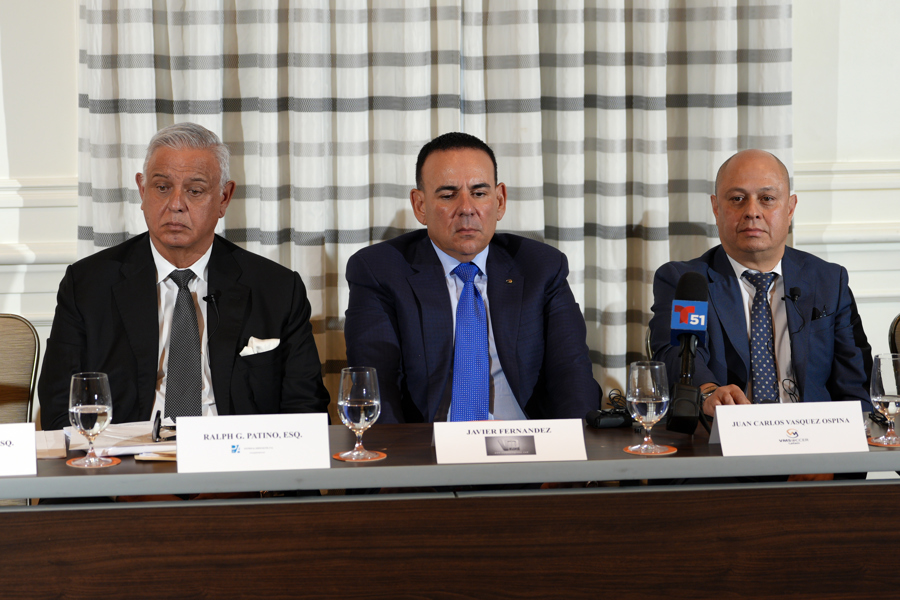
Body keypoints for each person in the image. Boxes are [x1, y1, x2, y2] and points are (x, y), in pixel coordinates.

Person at [39, 122, 329, 430]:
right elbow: (60, 409)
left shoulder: (277, 289)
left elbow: (306, 409)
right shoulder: (87, 285)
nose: (176, 205)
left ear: (224, 198)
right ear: (142, 190)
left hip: (235, 451)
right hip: (128, 452)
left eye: (195, 191)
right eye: (162, 187)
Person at [344, 132, 601, 424]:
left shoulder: (541, 268)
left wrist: (573, 448)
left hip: (526, 442)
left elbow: (572, 374)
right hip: (429, 446)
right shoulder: (379, 271)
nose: (466, 208)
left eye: (479, 193)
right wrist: (403, 454)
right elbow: (376, 387)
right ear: (420, 205)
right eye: (448, 195)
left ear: (500, 200)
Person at [649, 149, 871, 418]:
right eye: (737, 199)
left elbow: (855, 384)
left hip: (815, 433)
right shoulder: (687, 282)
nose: (752, 212)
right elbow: (678, 354)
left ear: (790, 209)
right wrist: (708, 393)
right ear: (716, 208)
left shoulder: (828, 281)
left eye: (767, 199)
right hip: (726, 432)